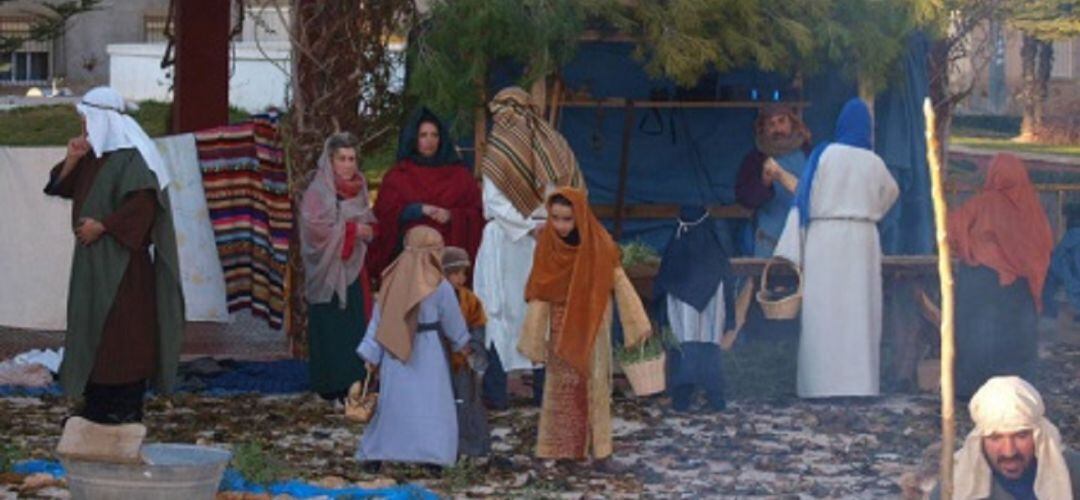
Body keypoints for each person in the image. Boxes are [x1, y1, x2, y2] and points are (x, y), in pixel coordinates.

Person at [43, 86, 184, 423]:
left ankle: (124, 405)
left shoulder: (132, 158)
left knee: (124, 334)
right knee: (92, 328)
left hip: (124, 267)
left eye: (87, 122)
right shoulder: (93, 156)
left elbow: (143, 206)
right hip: (93, 264)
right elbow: (59, 186)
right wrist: (73, 159)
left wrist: (103, 227)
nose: (84, 129)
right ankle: (96, 403)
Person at [774, 98, 899, 399]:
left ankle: (820, 385)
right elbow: (891, 193)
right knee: (859, 312)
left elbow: (805, 195)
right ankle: (860, 386)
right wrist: (868, 211)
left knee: (824, 312)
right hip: (862, 240)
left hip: (825, 240)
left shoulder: (824, 155)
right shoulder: (875, 162)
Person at [518, 188, 651, 461]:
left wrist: (636, 323)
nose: (561, 226)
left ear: (580, 216)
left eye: (567, 219)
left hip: (593, 323)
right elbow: (541, 290)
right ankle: (560, 450)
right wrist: (532, 338)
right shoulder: (547, 244)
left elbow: (619, 281)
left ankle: (601, 452)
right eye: (555, 218)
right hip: (560, 324)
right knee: (561, 388)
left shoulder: (599, 243)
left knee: (596, 385)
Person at [474, 86, 585, 409]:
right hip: (508, 241)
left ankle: (541, 390)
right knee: (498, 311)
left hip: (538, 240)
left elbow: (563, 191)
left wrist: (548, 224)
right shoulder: (509, 152)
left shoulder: (549, 147)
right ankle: (497, 391)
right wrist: (532, 226)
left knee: (538, 311)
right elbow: (494, 202)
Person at [355, 226, 472, 470]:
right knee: (431, 405)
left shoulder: (391, 279)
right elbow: (452, 319)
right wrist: (462, 343)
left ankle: (378, 452)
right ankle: (433, 456)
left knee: (394, 404)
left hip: (395, 353)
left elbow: (379, 321)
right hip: (428, 353)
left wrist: (371, 353)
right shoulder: (439, 285)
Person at [948, 153, 1052, 401]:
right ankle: (1020, 393)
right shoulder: (1032, 207)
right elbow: (1043, 245)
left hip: (982, 281)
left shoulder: (982, 203)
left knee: (977, 337)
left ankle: (975, 392)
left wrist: (972, 249)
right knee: (1017, 341)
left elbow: (951, 230)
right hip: (1020, 288)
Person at [299, 132, 376, 402]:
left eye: (352, 159)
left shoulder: (360, 186)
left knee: (353, 325)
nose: (348, 165)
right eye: (342, 159)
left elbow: (368, 218)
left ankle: (353, 383)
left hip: (355, 269)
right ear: (331, 161)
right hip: (328, 272)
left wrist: (366, 230)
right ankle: (329, 384)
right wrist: (354, 230)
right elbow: (314, 230)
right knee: (331, 325)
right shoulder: (318, 192)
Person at [365, 108, 484, 280]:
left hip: (450, 261)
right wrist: (418, 210)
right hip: (409, 261)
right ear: (414, 138)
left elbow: (477, 213)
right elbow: (384, 216)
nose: (429, 140)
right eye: (423, 135)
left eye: (434, 135)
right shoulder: (398, 175)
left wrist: (452, 215)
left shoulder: (460, 175)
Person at [931, 376, 1080, 499]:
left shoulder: (1072, 472)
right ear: (981, 441)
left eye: (1021, 436)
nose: (1009, 452)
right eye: (995, 438)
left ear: (1037, 436)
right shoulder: (956, 483)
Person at [653, 205, 736, 413]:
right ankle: (715, 397)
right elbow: (727, 281)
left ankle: (682, 398)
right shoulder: (715, 250)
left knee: (685, 348)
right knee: (709, 347)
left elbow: (663, 282)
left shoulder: (677, 246)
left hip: (682, 303)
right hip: (711, 307)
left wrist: (661, 313)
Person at [735, 105, 811, 257]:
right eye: (771, 124)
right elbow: (744, 199)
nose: (777, 129)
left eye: (781, 121)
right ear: (764, 129)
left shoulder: (810, 155)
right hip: (769, 244)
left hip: (805, 240)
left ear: (792, 123)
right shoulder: (754, 160)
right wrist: (764, 183)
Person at [441, 246, 491, 458]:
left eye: (463, 273)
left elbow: (478, 325)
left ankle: (472, 447)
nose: (460, 278)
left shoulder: (470, 300)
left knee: (467, 404)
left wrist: (473, 349)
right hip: (440, 363)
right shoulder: (434, 298)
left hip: (463, 362)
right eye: (455, 273)